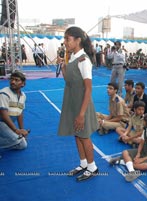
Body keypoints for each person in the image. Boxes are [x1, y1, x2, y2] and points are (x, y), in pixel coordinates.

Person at [57, 26, 99, 182]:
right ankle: (83, 164)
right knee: (77, 135)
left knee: (84, 136)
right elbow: (69, 81)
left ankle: (93, 167)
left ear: (78, 40)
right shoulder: (74, 57)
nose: (65, 42)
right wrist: (63, 69)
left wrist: (81, 114)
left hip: (82, 105)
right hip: (73, 103)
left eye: (67, 39)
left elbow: (88, 88)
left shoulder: (83, 60)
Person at [109, 113, 147, 182]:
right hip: (144, 150)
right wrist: (138, 153)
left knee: (145, 166)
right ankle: (132, 171)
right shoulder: (145, 130)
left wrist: (142, 159)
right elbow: (142, 143)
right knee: (124, 152)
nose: (142, 122)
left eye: (144, 120)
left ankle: (122, 161)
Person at [0, 71, 29, 150]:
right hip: (1, 123)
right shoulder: (4, 93)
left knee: (22, 145)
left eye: (16, 80)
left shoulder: (23, 96)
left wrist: (21, 130)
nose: (13, 82)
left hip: (6, 124)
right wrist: (16, 130)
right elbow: (3, 114)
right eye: (12, 79)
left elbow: (20, 113)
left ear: (23, 84)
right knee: (21, 142)